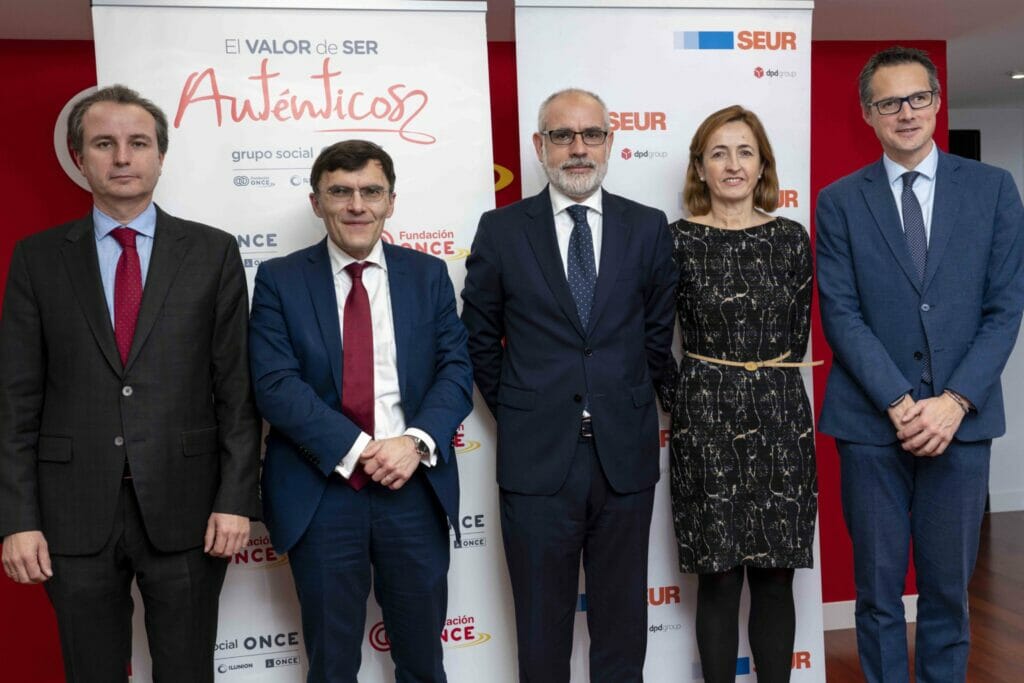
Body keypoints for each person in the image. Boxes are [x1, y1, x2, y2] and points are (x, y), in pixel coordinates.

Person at [0, 84, 260, 682]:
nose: (122, 157)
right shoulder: (37, 259)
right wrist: (18, 518)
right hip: (70, 514)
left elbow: (236, 392)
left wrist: (234, 500)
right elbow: (16, 399)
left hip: (190, 509)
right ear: (79, 157)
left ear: (160, 157)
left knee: (187, 671)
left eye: (138, 143)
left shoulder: (213, 253)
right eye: (104, 144)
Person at [816, 46, 1024, 683]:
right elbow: (841, 313)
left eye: (917, 98)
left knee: (946, 593)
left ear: (936, 102)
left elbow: (1005, 306)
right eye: (889, 102)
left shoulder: (991, 190)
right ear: (868, 114)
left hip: (961, 424)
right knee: (877, 595)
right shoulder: (840, 201)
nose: (905, 112)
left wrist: (954, 401)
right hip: (873, 424)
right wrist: (901, 403)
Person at [461, 88, 677, 682]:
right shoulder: (502, 230)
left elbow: (657, 336)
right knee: (540, 625)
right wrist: (523, 410)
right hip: (536, 458)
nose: (577, 149)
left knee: (622, 622)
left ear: (611, 142)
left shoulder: (648, 226)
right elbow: (478, 338)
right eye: (562, 136)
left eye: (591, 135)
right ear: (540, 146)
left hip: (625, 456)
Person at [249, 139, 473, 682]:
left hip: (413, 488)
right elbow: (276, 385)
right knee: (331, 664)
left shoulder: (427, 275)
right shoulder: (279, 279)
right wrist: (361, 450)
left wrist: (414, 443)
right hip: (322, 489)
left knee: (423, 661)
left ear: (390, 202)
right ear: (316, 202)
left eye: (371, 192)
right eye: (340, 192)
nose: (356, 205)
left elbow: (456, 371)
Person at [665, 105, 818, 683]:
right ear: (700, 168)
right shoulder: (675, 240)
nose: (733, 165)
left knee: (777, 575)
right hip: (704, 418)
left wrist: (764, 385)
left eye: (745, 152)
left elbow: (796, 334)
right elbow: (655, 338)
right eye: (719, 153)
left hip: (781, 415)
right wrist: (685, 402)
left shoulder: (790, 238)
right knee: (720, 575)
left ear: (762, 167)